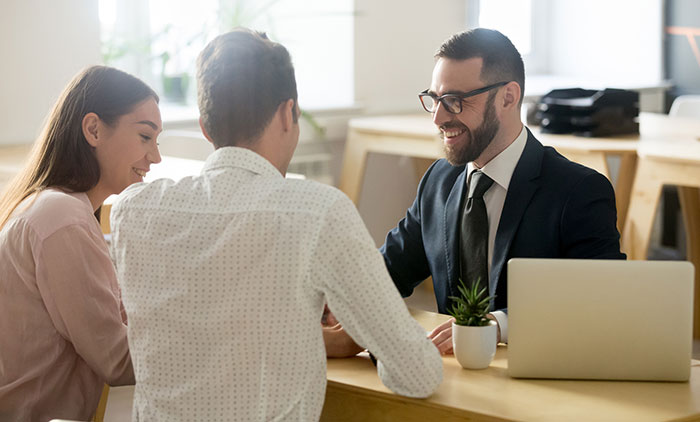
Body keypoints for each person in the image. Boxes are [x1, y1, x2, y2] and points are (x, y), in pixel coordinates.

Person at [110, 28, 442, 421]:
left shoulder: (133, 210)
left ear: (205, 126)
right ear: (288, 114)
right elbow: (418, 374)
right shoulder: (319, 213)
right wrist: (359, 335)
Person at [379, 28, 626, 354]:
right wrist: (331, 310)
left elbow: (601, 298)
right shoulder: (438, 182)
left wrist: (496, 326)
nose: (438, 118)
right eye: (435, 100)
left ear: (508, 97)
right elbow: (384, 273)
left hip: (539, 380)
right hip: (450, 380)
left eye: (454, 101)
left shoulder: (579, 192)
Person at [0, 66, 162, 421]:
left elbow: (111, 317)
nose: (156, 157)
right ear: (93, 129)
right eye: (145, 137)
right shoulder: (62, 219)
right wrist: (219, 331)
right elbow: (118, 361)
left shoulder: (50, 206)